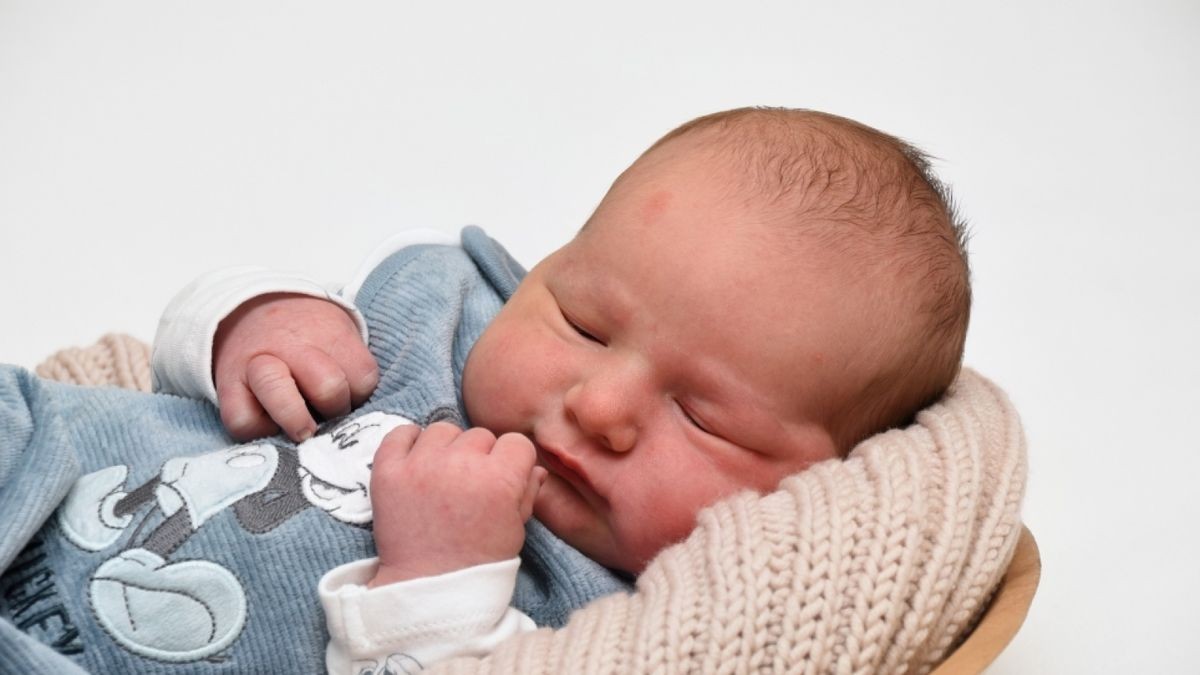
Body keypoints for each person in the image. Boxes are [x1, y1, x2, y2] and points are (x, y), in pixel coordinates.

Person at [0, 107, 970, 674]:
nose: (599, 405)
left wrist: (438, 576)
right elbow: (174, 362)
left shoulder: (617, 615)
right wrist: (253, 321)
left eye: (702, 416)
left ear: (819, 486)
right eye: (584, 325)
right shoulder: (440, 316)